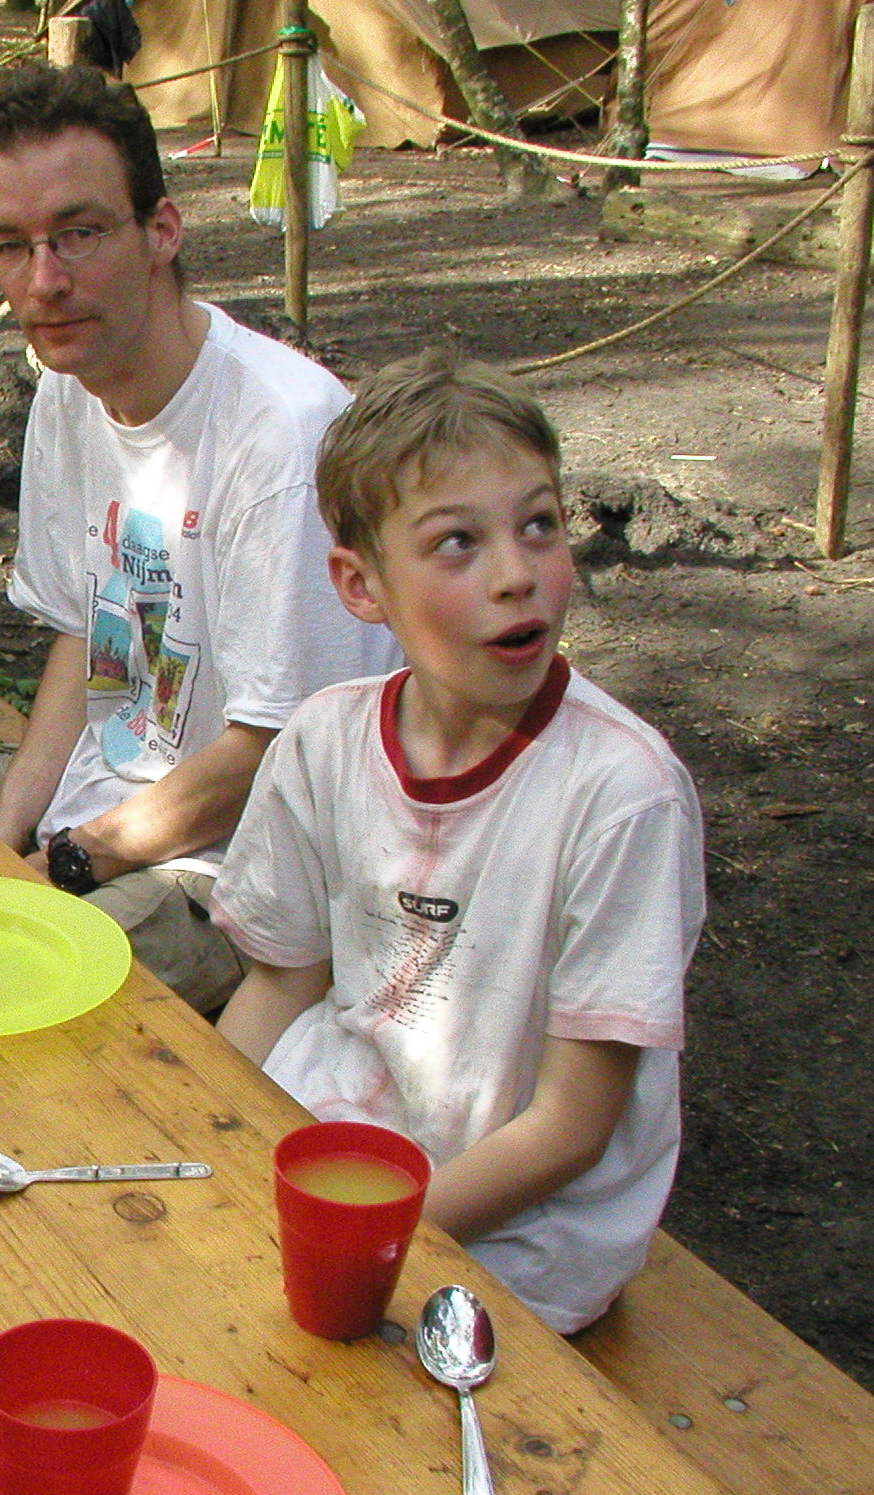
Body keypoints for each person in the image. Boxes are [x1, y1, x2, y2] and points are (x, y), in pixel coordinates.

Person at [211, 351, 705, 1333]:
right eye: (456, 543)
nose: (517, 575)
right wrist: (212, 1138)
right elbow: (279, 985)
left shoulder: (622, 795)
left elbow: (570, 1127)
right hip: (332, 1140)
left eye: (539, 525)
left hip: (523, 1234)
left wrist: (364, 1239)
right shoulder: (324, 740)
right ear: (360, 585)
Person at [0, 65, 399, 1012]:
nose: (45, 281)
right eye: (11, 247)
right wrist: (2, 836)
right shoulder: (70, 389)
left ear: (162, 231)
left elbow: (275, 753)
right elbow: (85, 635)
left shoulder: (281, 433)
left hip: (240, 872)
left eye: (81, 233)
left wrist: (61, 865)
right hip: (108, 801)